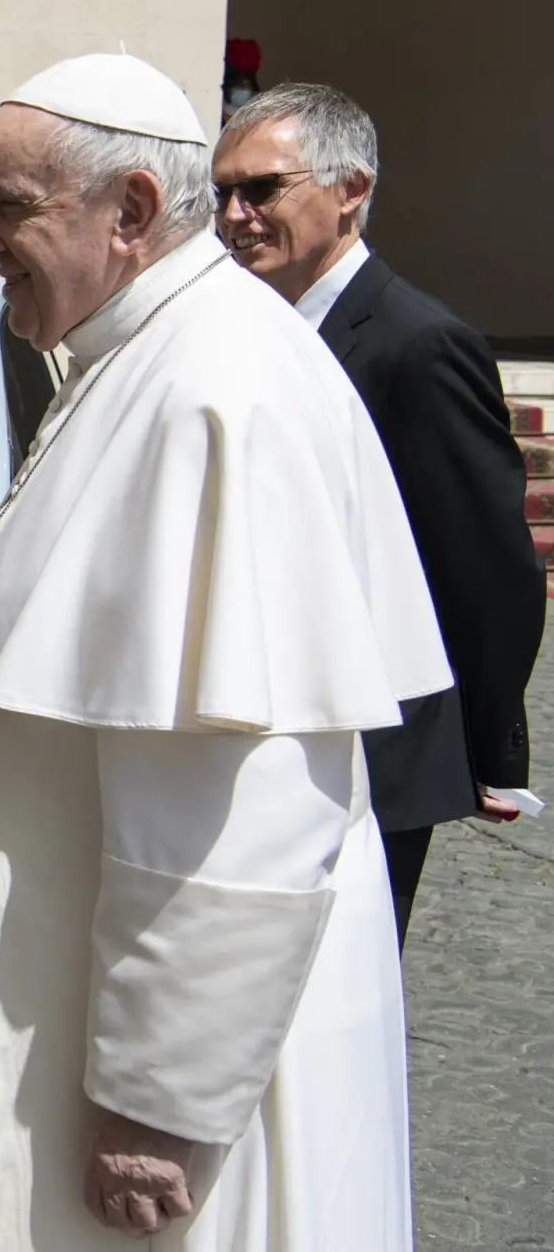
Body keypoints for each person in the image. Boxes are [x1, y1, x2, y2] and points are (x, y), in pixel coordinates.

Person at [0, 53, 452, 1250]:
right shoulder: (141, 355)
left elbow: (236, 798)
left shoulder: (215, 389)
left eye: (10, 207)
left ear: (132, 210)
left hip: (159, 1088)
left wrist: (156, 1101)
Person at [215, 83, 544, 946]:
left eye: (261, 190)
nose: (235, 216)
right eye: (223, 192)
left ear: (350, 190)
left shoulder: (419, 344)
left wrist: (482, 750)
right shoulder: (255, 328)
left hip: (379, 747)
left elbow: (486, 568)